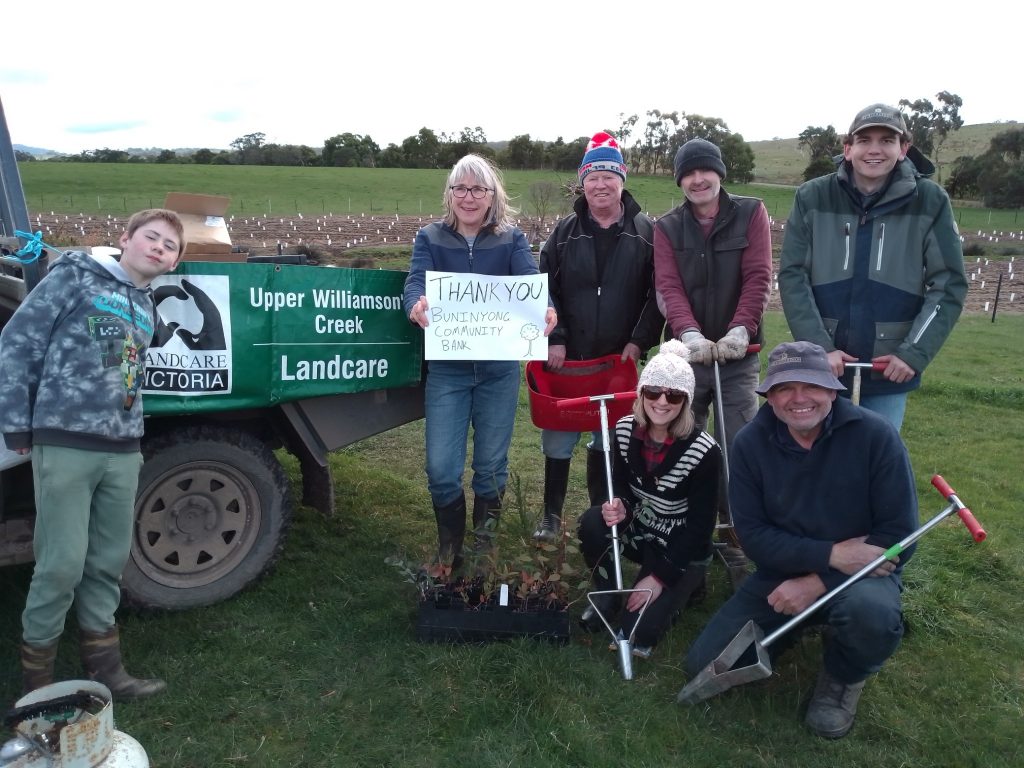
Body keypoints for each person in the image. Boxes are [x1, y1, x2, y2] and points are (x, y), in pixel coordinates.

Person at [685, 341, 918, 739]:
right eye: (784, 388)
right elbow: (754, 537)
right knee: (704, 662)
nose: (799, 399)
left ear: (831, 389)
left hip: (862, 575)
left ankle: (844, 676)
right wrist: (830, 554)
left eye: (810, 386)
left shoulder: (876, 437)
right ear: (769, 396)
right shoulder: (749, 445)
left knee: (870, 617)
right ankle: (800, 622)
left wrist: (818, 582)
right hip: (781, 572)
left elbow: (900, 537)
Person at [1, 209, 185, 698]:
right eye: (152, 237)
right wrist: (16, 422)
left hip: (123, 448)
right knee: (61, 563)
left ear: (172, 263)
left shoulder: (147, 306)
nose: (160, 248)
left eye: (170, 246)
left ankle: (107, 671)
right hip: (65, 439)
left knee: (106, 561)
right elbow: (18, 344)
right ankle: (36, 685)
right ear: (124, 239)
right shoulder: (74, 279)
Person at [404, 154, 556, 572]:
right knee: (441, 468)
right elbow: (416, 279)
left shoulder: (511, 240)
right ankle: (449, 549)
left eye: (478, 189)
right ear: (449, 195)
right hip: (448, 371)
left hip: (498, 371)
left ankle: (485, 548)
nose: (469, 198)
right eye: (460, 189)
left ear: (492, 197)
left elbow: (530, 283)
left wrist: (545, 307)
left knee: (490, 465)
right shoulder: (430, 237)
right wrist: (414, 304)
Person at [779, 103, 968, 431]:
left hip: (888, 367)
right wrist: (820, 347)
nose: (875, 150)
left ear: (904, 148)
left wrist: (913, 354)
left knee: (878, 462)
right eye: (865, 140)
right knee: (815, 462)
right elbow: (793, 274)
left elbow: (949, 284)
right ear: (848, 148)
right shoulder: (812, 196)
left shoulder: (930, 200)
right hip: (824, 368)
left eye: (887, 140)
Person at [535, 131, 664, 542]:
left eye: (609, 175)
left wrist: (639, 340)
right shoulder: (564, 233)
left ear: (622, 179)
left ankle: (599, 516)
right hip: (566, 359)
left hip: (616, 361)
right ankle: (550, 517)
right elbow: (544, 286)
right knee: (558, 437)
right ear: (582, 182)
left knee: (607, 441)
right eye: (592, 176)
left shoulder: (647, 233)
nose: (601, 184)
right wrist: (558, 336)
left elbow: (657, 293)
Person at [653, 137, 772, 569]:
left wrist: (741, 328)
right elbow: (668, 286)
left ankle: (737, 534)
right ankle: (684, 530)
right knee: (684, 441)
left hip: (738, 356)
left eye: (705, 171)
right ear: (681, 180)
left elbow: (758, 276)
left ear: (720, 174)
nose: (698, 180)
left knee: (737, 443)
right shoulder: (667, 227)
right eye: (688, 173)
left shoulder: (751, 212)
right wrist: (688, 334)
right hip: (689, 357)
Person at [577, 339, 719, 659]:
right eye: (653, 391)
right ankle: (608, 592)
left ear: (686, 400)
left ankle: (689, 583)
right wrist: (620, 505)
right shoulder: (625, 430)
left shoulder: (704, 452)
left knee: (638, 632)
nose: (662, 401)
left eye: (675, 395)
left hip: (680, 545)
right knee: (592, 523)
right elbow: (621, 485)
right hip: (642, 531)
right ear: (641, 394)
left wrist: (660, 577)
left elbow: (700, 527)